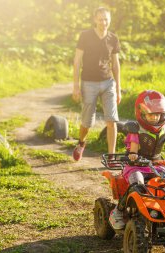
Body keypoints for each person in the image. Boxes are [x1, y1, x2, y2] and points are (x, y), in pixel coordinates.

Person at [109, 90, 165, 229]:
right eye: (151, 115)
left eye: (158, 114)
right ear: (142, 113)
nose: (154, 118)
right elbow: (133, 148)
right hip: (136, 165)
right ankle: (118, 212)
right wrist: (133, 155)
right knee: (137, 185)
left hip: (156, 164)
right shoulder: (136, 129)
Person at [72, 7, 121, 161]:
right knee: (87, 122)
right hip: (88, 83)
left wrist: (118, 89)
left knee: (111, 120)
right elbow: (77, 61)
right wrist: (75, 86)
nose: (103, 22)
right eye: (100, 19)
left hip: (108, 83)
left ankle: (111, 156)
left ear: (109, 20)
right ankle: (81, 143)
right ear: (95, 20)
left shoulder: (113, 38)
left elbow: (116, 64)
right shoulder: (85, 36)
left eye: (106, 19)